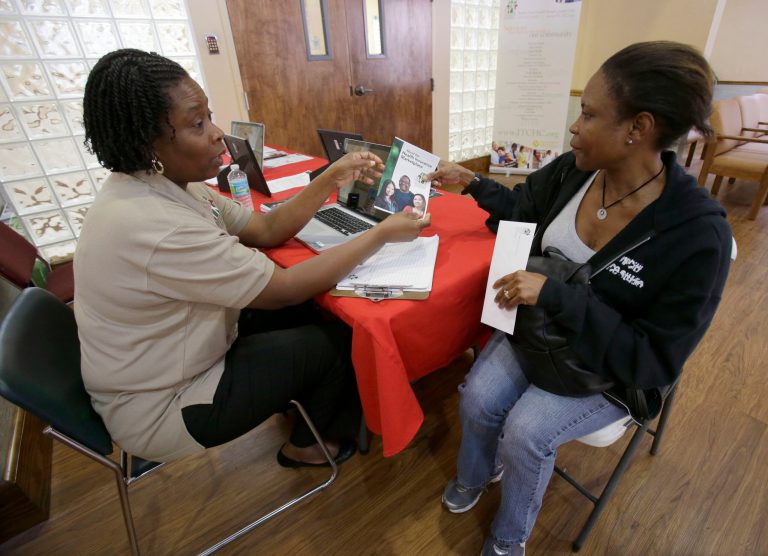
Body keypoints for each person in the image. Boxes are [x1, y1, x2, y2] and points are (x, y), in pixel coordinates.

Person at [428, 41, 731, 556]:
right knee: (478, 398)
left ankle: (508, 540)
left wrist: (557, 296)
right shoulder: (575, 169)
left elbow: (653, 360)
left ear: (638, 128)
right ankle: (480, 472)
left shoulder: (697, 235)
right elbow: (522, 208)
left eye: (588, 114)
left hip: (605, 365)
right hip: (540, 332)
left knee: (525, 431)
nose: (574, 126)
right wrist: (474, 182)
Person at [74, 49, 430, 466]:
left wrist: (331, 177)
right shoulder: (156, 224)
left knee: (314, 313)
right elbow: (283, 289)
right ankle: (308, 446)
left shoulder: (165, 185)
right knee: (337, 339)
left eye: (209, 116)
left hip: (164, 361)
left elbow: (265, 229)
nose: (217, 134)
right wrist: (382, 234)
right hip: (163, 405)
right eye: (197, 124)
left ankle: (298, 404)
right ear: (145, 141)